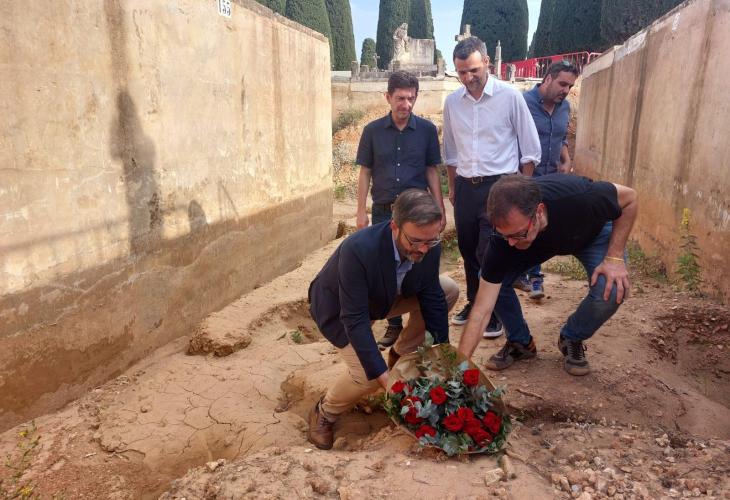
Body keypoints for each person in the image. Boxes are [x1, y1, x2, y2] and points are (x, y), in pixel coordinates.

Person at [308, 189, 459, 449]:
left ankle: (400, 354)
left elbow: (432, 297)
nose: (424, 249)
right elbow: (355, 319)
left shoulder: (427, 243)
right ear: (394, 226)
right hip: (340, 309)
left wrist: (442, 353)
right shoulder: (359, 249)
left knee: (448, 290)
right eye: (415, 241)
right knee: (367, 376)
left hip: (384, 297)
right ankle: (325, 412)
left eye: (430, 241)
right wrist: (384, 379)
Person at [456, 174, 638, 376]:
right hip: (537, 244)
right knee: (490, 280)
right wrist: (458, 369)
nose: (511, 243)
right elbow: (481, 311)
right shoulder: (506, 239)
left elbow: (630, 198)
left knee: (611, 288)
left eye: (516, 234)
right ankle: (521, 343)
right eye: (505, 235)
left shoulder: (581, 196)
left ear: (539, 212)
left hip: (591, 235)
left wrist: (614, 257)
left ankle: (572, 337)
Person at [442, 36, 541, 339]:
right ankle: (475, 303)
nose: (467, 78)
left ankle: (494, 312)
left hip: (500, 187)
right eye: (461, 72)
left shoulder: (510, 96)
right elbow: (450, 151)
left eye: (473, 70)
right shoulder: (452, 102)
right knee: (468, 248)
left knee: (489, 252)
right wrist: (453, 187)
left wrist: (521, 191)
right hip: (466, 188)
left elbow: (530, 150)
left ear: (486, 62)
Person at [356, 70, 445, 350]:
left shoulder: (427, 131)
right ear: (388, 97)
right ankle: (392, 324)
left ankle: (418, 324)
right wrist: (360, 211)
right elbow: (365, 172)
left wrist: (440, 208)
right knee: (384, 269)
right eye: (400, 98)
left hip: (417, 216)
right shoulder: (372, 131)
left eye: (410, 98)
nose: (406, 104)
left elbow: (431, 171)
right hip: (384, 213)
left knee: (419, 265)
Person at [514, 60, 581, 300]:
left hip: (550, 178)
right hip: (523, 177)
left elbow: (561, 137)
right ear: (548, 78)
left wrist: (566, 159)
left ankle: (534, 278)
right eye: (562, 84)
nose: (566, 90)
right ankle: (516, 273)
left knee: (541, 226)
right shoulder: (522, 102)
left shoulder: (565, 108)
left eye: (570, 86)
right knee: (520, 226)